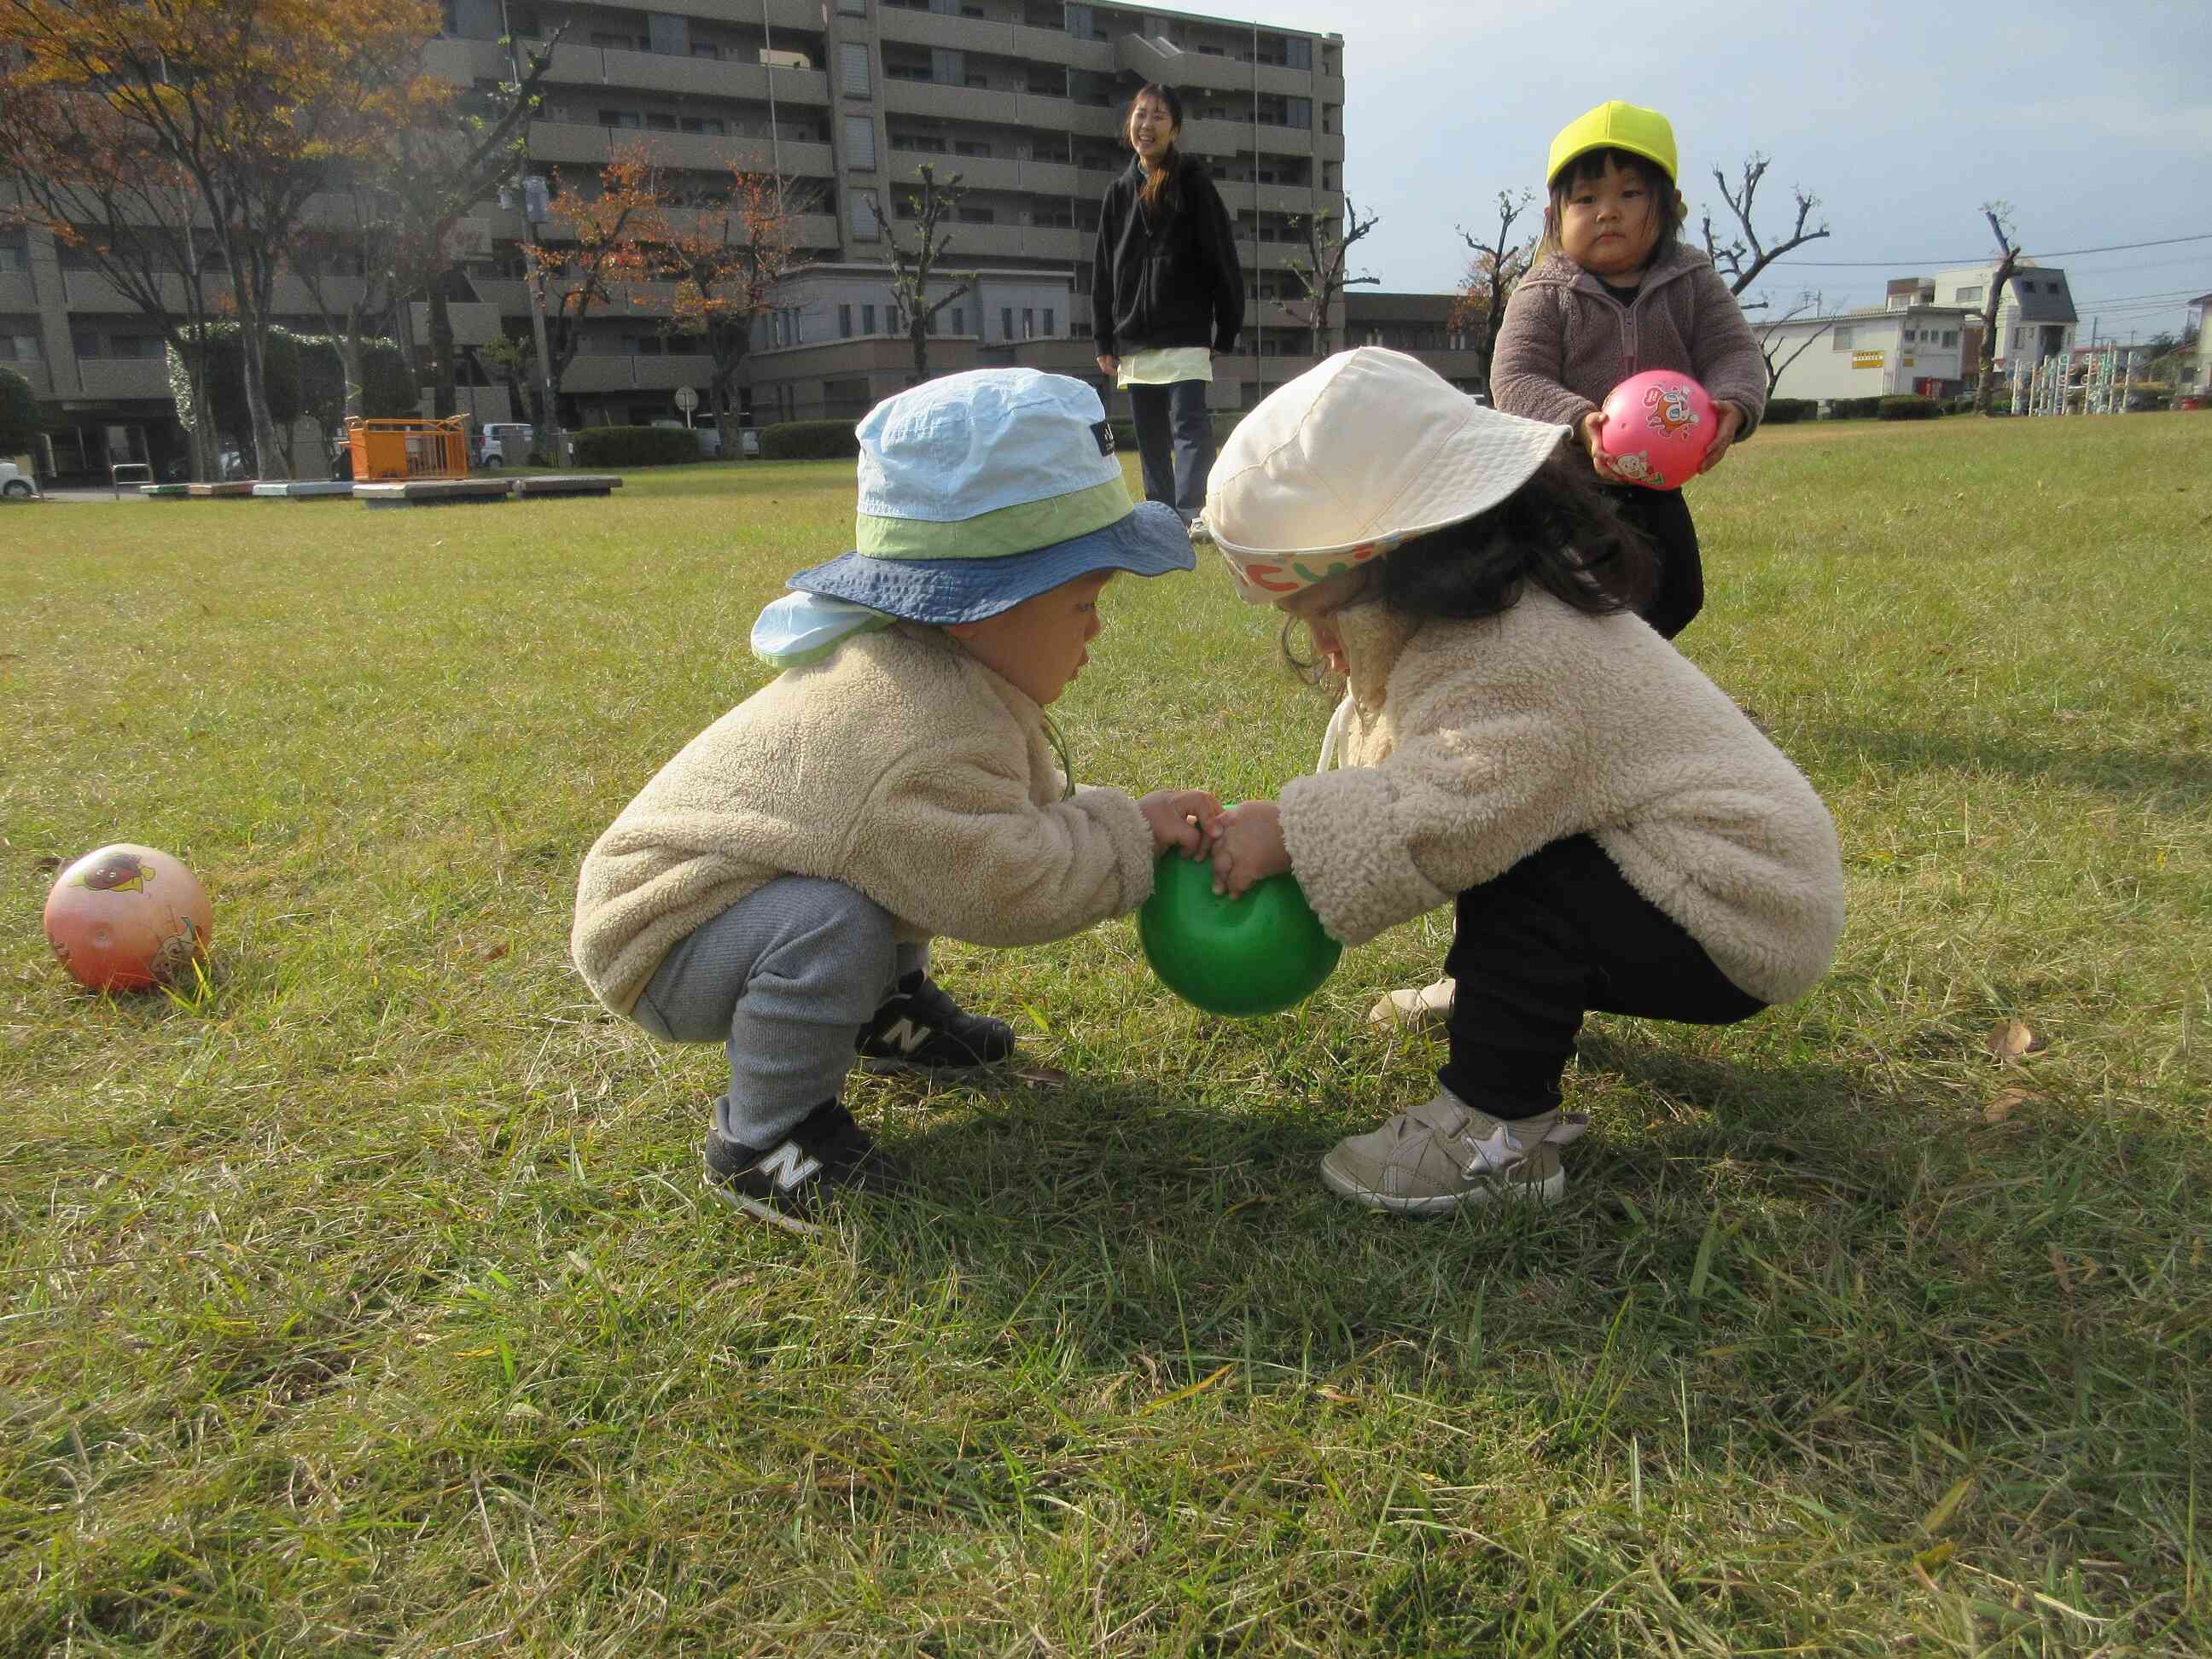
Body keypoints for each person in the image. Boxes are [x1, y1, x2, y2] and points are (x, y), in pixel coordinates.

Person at [1194, 349, 1845, 1215]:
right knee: (1520, 843)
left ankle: (1497, 1132)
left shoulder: (1519, 652)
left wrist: (1295, 834)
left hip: (1735, 910)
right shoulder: (1482, 615)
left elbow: (1450, 804)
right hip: (1681, 882)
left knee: (1525, 864)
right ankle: (1500, 993)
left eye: (1321, 614)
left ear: (1399, 563)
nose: (1321, 644)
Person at [572, 370, 1220, 1234]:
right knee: (830, 918)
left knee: (871, 874)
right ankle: (764, 1139)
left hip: (728, 904)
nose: (1097, 628)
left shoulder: (949, 681)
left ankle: (886, 1012)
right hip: (661, 932)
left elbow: (1000, 822)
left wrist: (1125, 817)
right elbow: (1004, 880)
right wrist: (1131, 839)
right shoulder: (916, 732)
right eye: (1083, 602)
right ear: (973, 611)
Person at [1490, 98, 1767, 643]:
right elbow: (1516, 378)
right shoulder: (1545, 292)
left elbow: (1732, 351)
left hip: (1658, 481)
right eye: (1586, 198)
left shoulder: (1692, 283)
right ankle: (1593, 695)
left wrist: (1733, 402)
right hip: (1566, 486)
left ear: (1668, 208)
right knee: (1585, 602)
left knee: (1677, 595)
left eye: (1630, 194)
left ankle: (1629, 684)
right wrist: (1579, 419)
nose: (1607, 211)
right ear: (1555, 217)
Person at [1091, 82, 1243, 525]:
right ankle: (1160, 516)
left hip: (1185, 329)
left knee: (1189, 428)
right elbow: (1103, 270)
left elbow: (1221, 256)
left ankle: (1195, 514)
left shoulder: (1193, 184)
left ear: (1175, 129)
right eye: (1141, 114)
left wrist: (1227, 327)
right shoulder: (1117, 194)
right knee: (1150, 436)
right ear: (1129, 123)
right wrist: (1104, 336)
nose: (1147, 124)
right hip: (1134, 336)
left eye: (1158, 116)